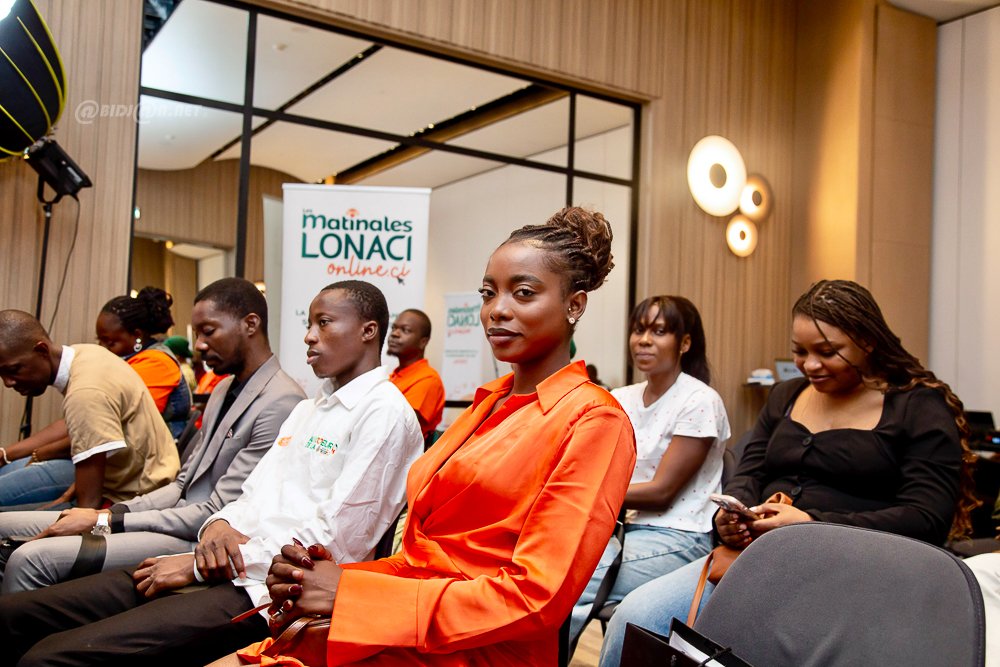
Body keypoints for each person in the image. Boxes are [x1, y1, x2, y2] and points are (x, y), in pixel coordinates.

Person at [218, 206, 637, 667]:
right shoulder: (488, 403)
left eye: (523, 293)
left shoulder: (594, 420)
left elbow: (535, 597)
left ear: (574, 305)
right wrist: (325, 579)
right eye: (488, 293)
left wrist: (351, 594)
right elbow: (425, 557)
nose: (497, 310)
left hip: (482, 648)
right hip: (405, 620)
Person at [0, 280, 424, 666]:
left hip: (265, 596)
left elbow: (330, 545)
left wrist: (201, 566)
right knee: (14, 615)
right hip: (223, 564)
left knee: (46, 658)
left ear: (368, 331)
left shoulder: (384, 413)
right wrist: (218, 525)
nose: (309, 336)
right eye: (309, 324)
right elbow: (250, 494)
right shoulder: (308, 408)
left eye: (324, 323)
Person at [597, 279, 978, 667]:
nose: (810, 364)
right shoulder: (786, 396)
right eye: (799, 351)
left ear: (867, 342)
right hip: (757, 561)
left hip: (857, 572)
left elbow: (926, 518)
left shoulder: (918, 407)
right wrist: (731, 515)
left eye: (827, 352)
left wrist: (810, 524)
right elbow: (749, 473)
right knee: (634, 618)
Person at [0, 277, 306, 592]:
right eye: (198, 334)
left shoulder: (281, 401)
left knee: (30, 559)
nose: (199, 345)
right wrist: (109, 514)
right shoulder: (224, 388)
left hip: (200, 538)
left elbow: (217, 511)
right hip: (175, 515)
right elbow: (182, 485)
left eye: (209, 331)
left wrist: (105, 521)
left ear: (250, 324)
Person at [569, 296, 730, 642]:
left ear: (684, 343)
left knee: (573, 577)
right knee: (548, 561)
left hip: (680, 537)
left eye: (659, 331)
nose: (643, 340)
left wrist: (582, 494)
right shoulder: (621, 398)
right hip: (619, 530)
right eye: (638, 330)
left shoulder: (700, 400)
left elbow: (661, 492)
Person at [0, 287, 189, 508]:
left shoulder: (86, 390)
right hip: (125, 473)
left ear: (42, 351)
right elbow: (75, 423)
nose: (7, 382)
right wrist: (9, 453)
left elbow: (87, 508)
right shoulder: (86, 354)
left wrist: (40, 454)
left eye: (13, 370)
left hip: (132, 493)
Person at [386, 308, 445, 440]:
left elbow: (400, 429)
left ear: (423, 342)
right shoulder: (393, 376)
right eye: (394, 328)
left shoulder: (428, 379)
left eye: (405, 330)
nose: (395, 334)